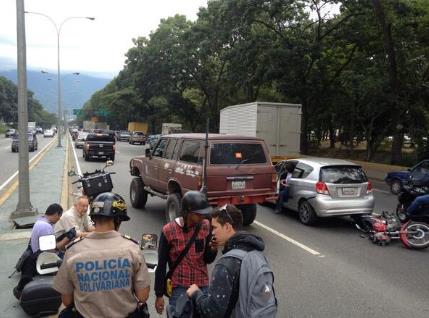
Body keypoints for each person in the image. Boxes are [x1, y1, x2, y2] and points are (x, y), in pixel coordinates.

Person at [53, 192, 151, 317]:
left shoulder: (73, 250)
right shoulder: (132, 249)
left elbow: (66, 301)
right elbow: (143, 296)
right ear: (118, 220)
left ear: (94, 218)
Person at [187, 204, 276, 317]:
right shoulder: (257, 254)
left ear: (228, 227)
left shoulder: (226, 264)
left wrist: (196, 294)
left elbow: (213, 311)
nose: (212, 233)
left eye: (214, 227)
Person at [154, 191, 217, 316]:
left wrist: (213, 249)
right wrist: (159, 295)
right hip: (179, 286)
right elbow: (161, 265)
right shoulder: (168, 230)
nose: (202, 217)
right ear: (187, 212)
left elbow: (207, 259)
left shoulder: (205, 226)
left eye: (204, 214)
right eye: (198, 214)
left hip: (202, 285)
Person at [13, 203, 69, 299]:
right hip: (41, 260)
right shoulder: (46, 227)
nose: (59, 219)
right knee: (68, 262)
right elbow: (51, 251)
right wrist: (66, 239)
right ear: (56, 214)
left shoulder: (40, 221)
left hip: (35, 255)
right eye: (59, 216)